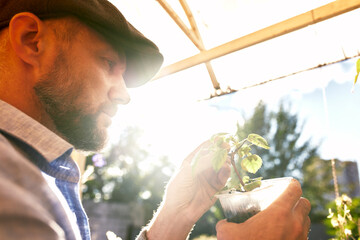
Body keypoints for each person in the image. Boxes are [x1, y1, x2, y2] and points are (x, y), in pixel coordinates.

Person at [0, 0, 311, 239]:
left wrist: (175, 214)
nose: (124, 95)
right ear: (32, 41)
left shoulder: (37, 170)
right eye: (108, 63)